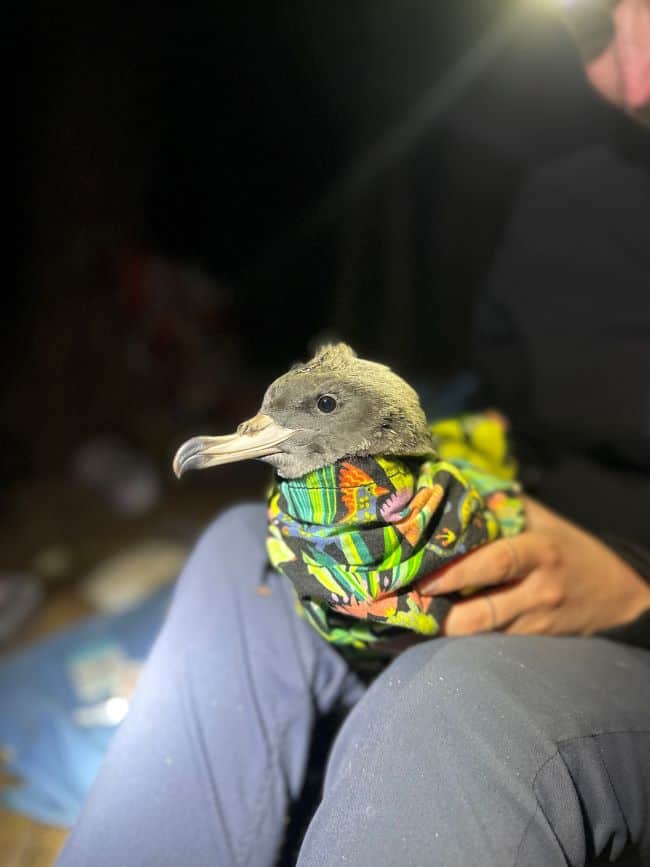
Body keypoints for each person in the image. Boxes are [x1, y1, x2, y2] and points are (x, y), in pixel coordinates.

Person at [57, 2, 650, 865]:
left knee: (452, 708)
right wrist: (436, 497)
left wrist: (635, 588)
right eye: (593, 26)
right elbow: (502, 417)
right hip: (510, 544)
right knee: (240, 557)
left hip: (624, 622)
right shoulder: (564, 201)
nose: (635, 83)